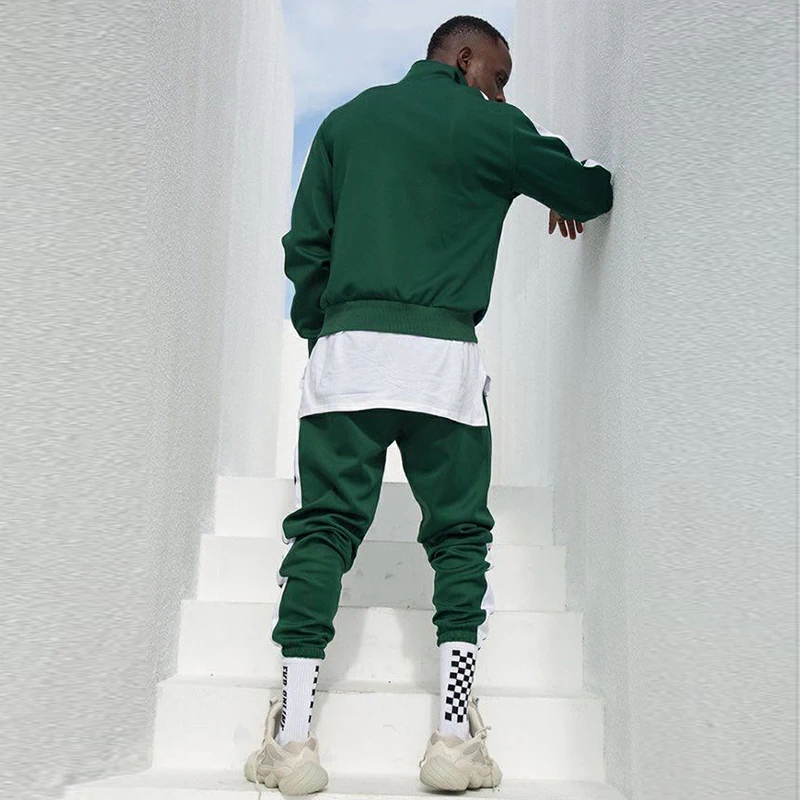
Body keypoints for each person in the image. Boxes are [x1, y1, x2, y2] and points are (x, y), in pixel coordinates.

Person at [244, 14, 614, 796]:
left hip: (348, 354)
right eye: (498, 76)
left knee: (324, 530)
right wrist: (550, 170)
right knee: (459, 538)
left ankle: (294, 738)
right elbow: (591, 191)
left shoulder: (346, 122)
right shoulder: (495, 128)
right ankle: (452, 738)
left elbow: (304, 247)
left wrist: (326, 330)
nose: (500, 92)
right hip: (443, 363)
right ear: (466, 57)